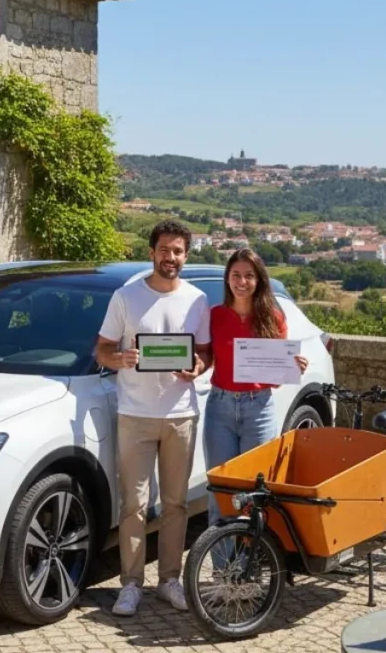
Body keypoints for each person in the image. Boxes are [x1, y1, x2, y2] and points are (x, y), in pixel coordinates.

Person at [95, 219, 211, 616]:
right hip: (135, 414)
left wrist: (197, 367)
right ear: (152, 253)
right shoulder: (126, 297)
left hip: (181, 414)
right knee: (134, 505)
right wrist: (120, 358)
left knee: (177, 503)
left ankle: (169, 581)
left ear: (186, 255)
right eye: (164, 250)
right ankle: (130, 585)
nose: (171, 258)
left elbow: (206, 353)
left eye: (178, 251)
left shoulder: (197, 300)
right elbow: (102, 350)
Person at [203, 248, 308, 565]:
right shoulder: (216, 316)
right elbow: (205, 357)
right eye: (236, 275)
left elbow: (275, 379)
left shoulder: (273, 317)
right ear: (228, 279)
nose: (242, 281)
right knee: (220, 493)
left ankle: (250, 567)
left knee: (254, 494)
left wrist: (293, 367)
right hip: (220, 408)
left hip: (258, 410)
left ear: (259, 279)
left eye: (249, 275)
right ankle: (224, 573)